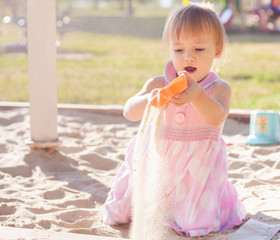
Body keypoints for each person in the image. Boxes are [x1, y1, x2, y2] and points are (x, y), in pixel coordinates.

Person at [104, 2, 246, 237]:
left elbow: (215, 117)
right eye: (179, 50)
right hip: (156, 159)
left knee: (193, 223)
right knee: (123, 212)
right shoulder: (159, 84)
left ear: (216, 50)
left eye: (199, 49)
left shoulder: (218, 89)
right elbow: (129, 111)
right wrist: (151, 99)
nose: (188, 56)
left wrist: (198, 96)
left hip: (197, 169)